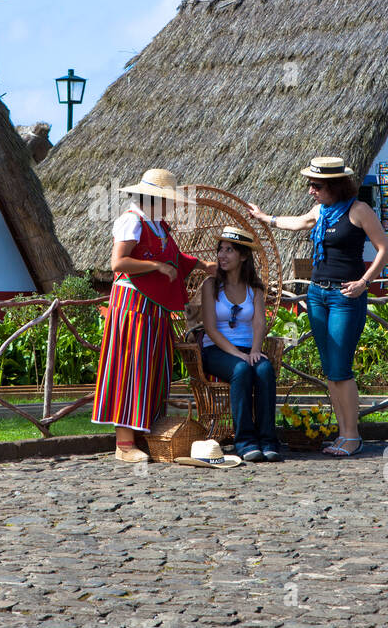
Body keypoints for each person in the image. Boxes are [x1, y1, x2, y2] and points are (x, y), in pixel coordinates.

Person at [249, 156, 388, 457]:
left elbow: (384, 248)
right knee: (330, 370)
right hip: (317, 295)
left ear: (335, 186)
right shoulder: (321, 210)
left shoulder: (359, 210)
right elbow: (298, 223)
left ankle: (352, 436)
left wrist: (364, 281)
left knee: (341, 368)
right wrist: (266, 218)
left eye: (317, 186)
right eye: (310, 185)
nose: (311, 191)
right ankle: (343, 434)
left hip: (345, 297)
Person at [93, 168, 204, 462]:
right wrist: (156, 267)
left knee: (153, 369)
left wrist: (205, 265)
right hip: (132, 307)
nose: (171, 206)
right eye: (167, 200)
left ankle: (144, 434)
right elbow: (119, 262)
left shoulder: (158, 224)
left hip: (154, 309)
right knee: (130, 368)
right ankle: (124, 445)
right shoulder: (132, 221)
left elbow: (175, 259)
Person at [199, 226, 280, 462]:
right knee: (241, 369)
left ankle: (267, 440)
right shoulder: (210, 286)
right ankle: (244, 441)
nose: (222, 255)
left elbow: (258, 324)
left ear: (243, 256)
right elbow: (211, 329)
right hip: (217, 350)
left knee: (264, 369)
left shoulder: (254, 289)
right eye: (220, 250)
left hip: (248, 348)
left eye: (229, 250)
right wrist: (238, 355)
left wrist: (255, 350)